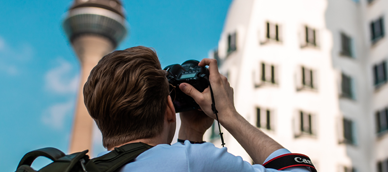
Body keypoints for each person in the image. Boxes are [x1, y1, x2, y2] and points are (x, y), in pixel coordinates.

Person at [83, 46, 314, 171]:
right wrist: (228, 115)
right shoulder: (189, 161)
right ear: (168, 108)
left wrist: (192, 134)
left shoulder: (80, 168)